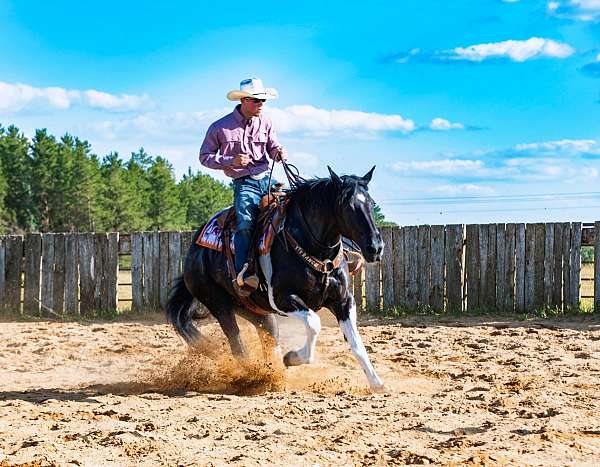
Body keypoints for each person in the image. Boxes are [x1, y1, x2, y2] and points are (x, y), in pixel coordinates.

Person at [199, 78, 287, 297]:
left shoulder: (265, 123)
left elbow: (272, 146)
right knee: (246, 223)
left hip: (267, 179)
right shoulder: (219, 127)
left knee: (293, 211)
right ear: (245, 100)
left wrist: (277, 152)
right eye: (257, 101)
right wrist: (230, 161)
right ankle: (243, 273)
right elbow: (204, 157)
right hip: (244, 183)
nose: (261, 105)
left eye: (263, 101)